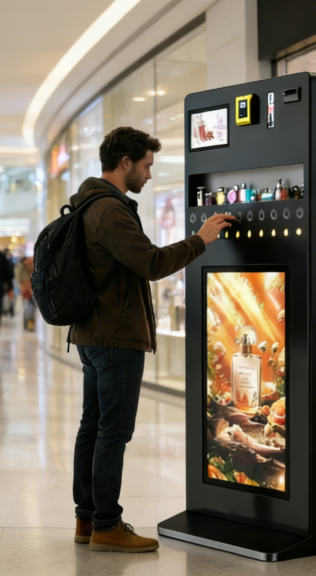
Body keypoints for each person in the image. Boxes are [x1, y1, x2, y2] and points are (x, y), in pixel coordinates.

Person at [69, 127, 234, 553]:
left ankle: (87, 519)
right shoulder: (110, 209)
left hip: (92, 332)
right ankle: (107, 524)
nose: (148, 173)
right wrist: (200, 240)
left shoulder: (88, 203)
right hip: (116, 336)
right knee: (112, 432)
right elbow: (151, 263)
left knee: (93, 427)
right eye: (146, 165)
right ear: (125, 162)